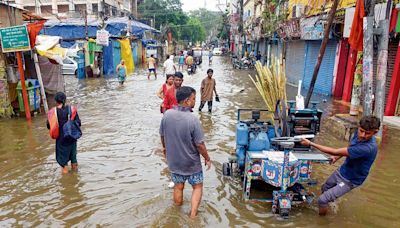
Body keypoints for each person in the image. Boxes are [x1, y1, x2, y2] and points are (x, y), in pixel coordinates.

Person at [300, 115, 380, 216]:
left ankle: (322, 221)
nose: (362, 135)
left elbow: (335, 150)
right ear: (359, 127)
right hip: (343, 170)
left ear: (375, 132)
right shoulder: (358, 135)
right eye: (361, 131)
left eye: (367, 133)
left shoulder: (368, 148)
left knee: (322, 200)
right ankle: (330, 204)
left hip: (351, 180)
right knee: (325, 188)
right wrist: (336, 157)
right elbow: (350, 148)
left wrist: (311, 143)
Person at [159, 86, 212, 218]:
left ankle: (176, 214)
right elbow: (200, 144)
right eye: (194, 99)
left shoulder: (167, 115)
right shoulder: (192, 119)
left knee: (178, 186)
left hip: (174, 162)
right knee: (197, 187)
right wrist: (207, 157)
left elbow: (162, 135)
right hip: (191, 163)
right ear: (187, 101)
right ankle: (193, 215)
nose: (195, 101)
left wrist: (165, 149)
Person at [47, 92, 81, 174]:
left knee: (64, 164)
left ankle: (67, 184)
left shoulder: (53, 112)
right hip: (72, 138)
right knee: (74, 159)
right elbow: (78, 123)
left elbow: (49, 126)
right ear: (65, 100)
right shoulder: (72, 109)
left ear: (56, 101)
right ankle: (75, 177)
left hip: (61, 140)